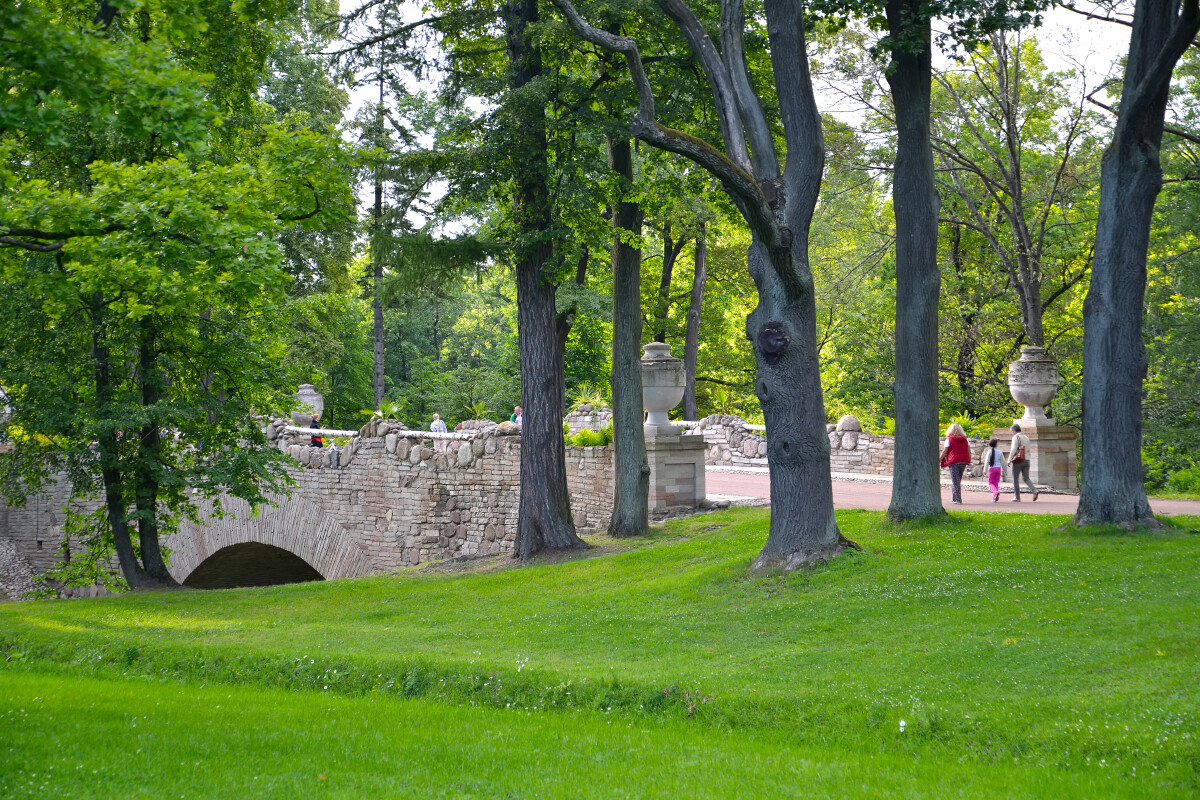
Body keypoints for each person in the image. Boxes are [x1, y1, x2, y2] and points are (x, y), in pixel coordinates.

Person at [939, 423, 971, 504]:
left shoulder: (949, 439)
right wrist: (969, 461)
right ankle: (954, 498)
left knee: (955, 481)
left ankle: (958, 499)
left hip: (954, 461)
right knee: (957, 480)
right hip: (963, 461)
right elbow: (968, 451)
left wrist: (939, 459)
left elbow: (944, 452)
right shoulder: (965, 439)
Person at [1007, 424, 1039, 502]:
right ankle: (1034, 490)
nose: (1012, 433)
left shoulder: (1016, 437)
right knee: (1026, 478)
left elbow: (1014, 449)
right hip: (1027, 460)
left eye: (1012, 431)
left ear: (1014, 430)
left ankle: (1017, 497)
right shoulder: (1026, 437)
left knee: (1015, 478)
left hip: (1018, 460)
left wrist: (1009, 459)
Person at [983, 438, 1005, 502]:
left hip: (992, 469)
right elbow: (1003, 462)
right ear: (996, 444)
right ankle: (994, 498)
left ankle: (995, 492)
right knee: (996, 483)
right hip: (998, 469)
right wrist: (1005, 470)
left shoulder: (989, 452)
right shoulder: (1000, 452)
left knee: (991, 483)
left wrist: (985, 470)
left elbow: (987, 462)